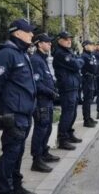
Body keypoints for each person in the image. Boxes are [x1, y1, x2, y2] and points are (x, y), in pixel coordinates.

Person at [0, 19, 36, 194]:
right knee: (11, 152)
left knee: (19, 151)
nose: (31, 34)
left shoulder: (21, 53)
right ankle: (6, 189)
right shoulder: (6, 53)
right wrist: (2, 108)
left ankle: (16, 184)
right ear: (17, 33)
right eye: (28, 31)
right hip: (13, 114)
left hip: (24, 113)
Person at [30, 33, 60, 173]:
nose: (50, 44)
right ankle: (37, 160)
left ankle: (44, 153)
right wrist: (51, 92)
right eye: (47, 42)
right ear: (39, 43)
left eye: (50, 42)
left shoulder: (42, 59)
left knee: (47, 128)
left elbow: (46, 79)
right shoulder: (36, 60)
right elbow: (37, 83)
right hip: (41, 100)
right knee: (40, 130)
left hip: (47, 100)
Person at [53, 31, 84, 150]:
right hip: (67, 87)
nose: (69, 41)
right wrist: (78, 62)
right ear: (60, 40)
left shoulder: (68, 52)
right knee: (67, 114)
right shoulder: (60, 53)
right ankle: (63, 139)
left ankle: (69, 133)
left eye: (70, 39)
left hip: (73, 86)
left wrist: (78, 62)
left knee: (73, 113)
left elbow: (79, 62)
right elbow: (77, 65)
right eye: (66, 39)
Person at [81, 40, 98, 127]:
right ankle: (86, 120)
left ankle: (89, 117)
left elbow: (95, 66)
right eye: (90, 45)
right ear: (85, 46)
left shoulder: (90, 55)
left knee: (89, 100)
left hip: (91, 79)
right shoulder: (84, 56)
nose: (92, 47)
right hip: (86, 79)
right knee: (87, 101)